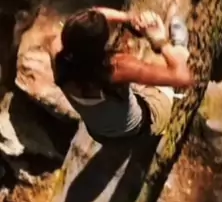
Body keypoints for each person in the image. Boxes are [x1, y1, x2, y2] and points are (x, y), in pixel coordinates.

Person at [52, 7, 194, 142]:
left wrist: (130, 18)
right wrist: (159, 41)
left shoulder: (57, 56)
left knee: (136, 77)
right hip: (139, 127)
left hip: (100, 133)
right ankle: (180, 50)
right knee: (159, 63)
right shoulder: (117, 68)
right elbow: (182, 78)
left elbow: (94, 14)